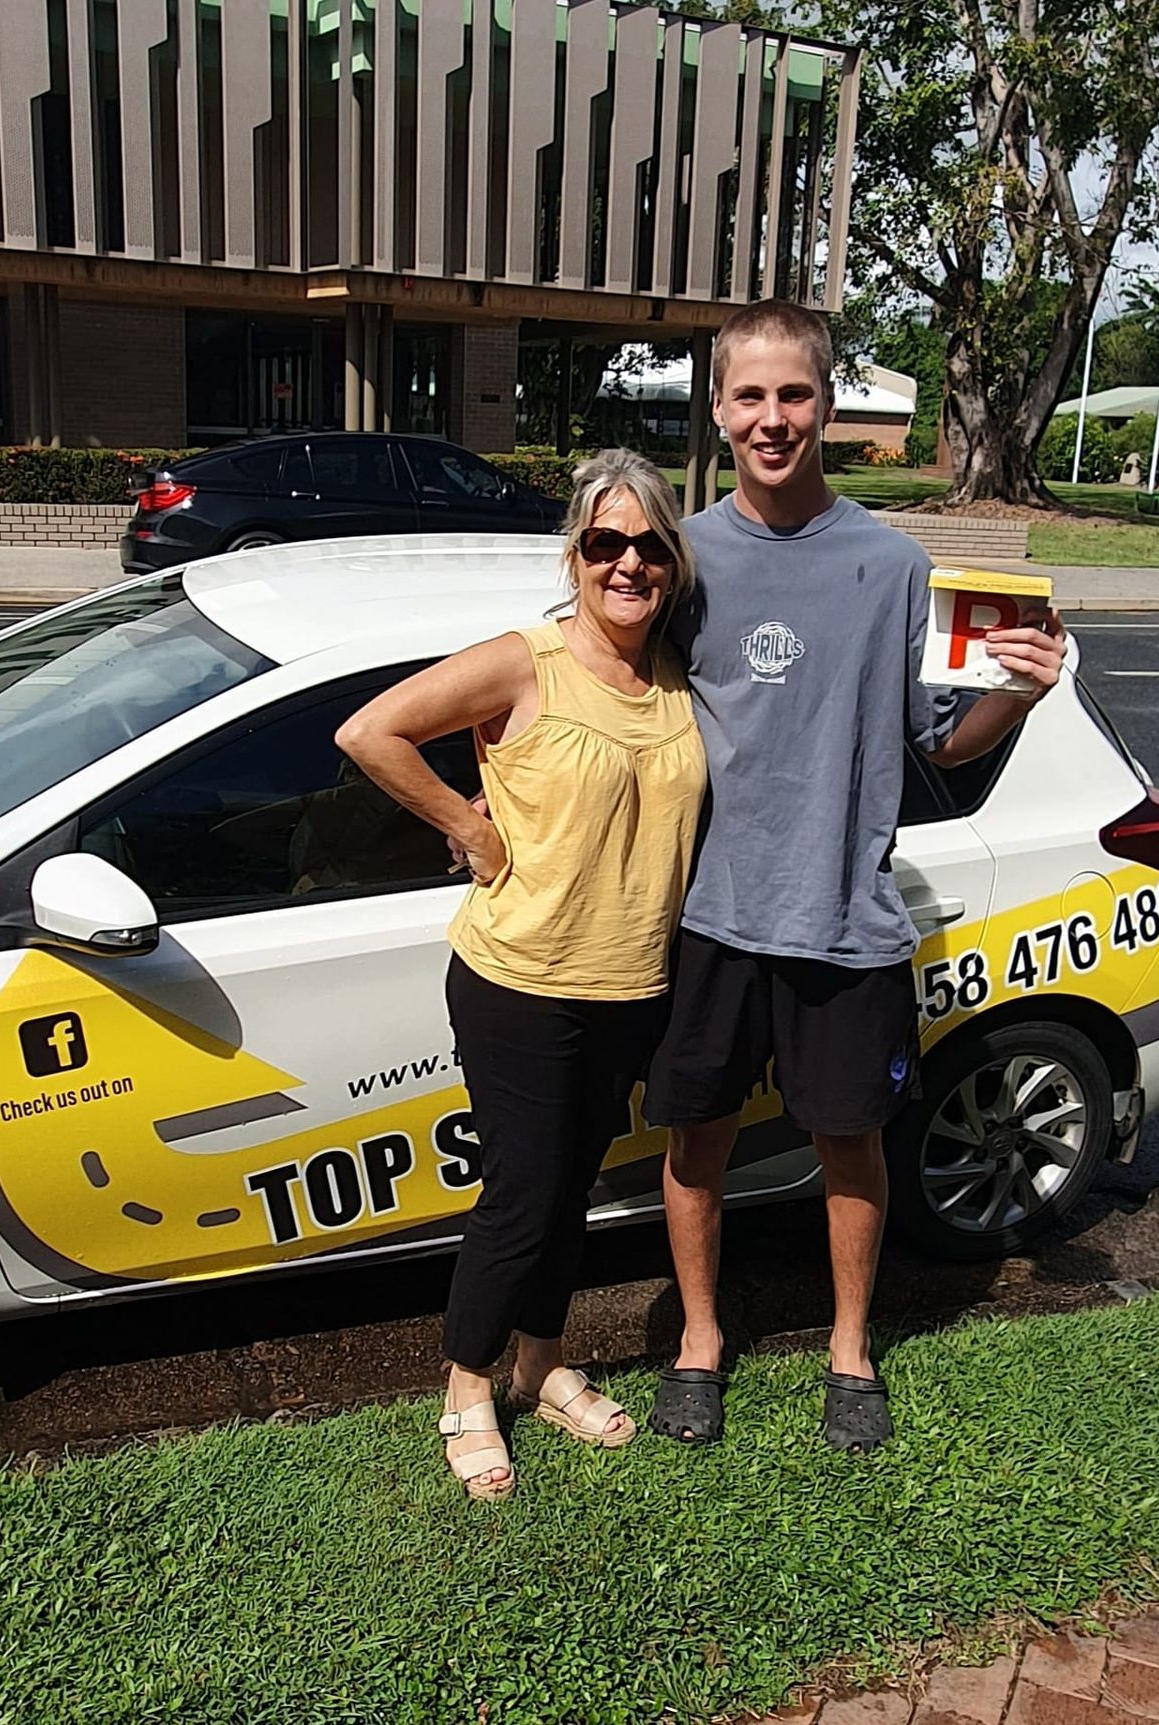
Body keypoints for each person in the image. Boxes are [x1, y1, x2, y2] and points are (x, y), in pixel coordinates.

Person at [642, 300, 1068, 1453]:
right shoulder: (680, 557)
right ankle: (698, 1342)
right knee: (697, 1143)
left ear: (830, 407)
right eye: (750, 396)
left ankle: (848, 1351)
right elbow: (587, 689)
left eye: (795, 395)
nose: (772, 419)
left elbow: (939, 744)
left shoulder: (893, 566)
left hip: (844, 921)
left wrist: (1019, 690)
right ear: (720, 410)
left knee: (851, 1144)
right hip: (709, 921)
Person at [336, 449, 704, 1500]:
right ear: (576, 552)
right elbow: (372, 731)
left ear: (671, 561)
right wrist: (465, 824)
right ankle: (467, 1385)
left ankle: (543, 1363)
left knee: (567, 1193)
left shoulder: (675, 675)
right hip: (522, 983)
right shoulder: (526, 660)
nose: (627, 564)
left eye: (648, 546)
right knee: (521, 1195)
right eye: (604, 543)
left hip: (633, 984)